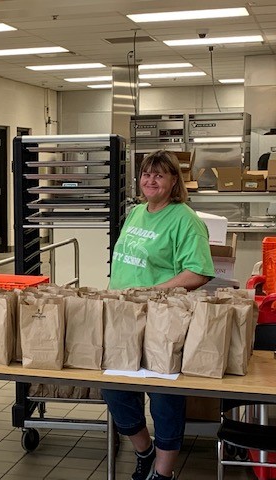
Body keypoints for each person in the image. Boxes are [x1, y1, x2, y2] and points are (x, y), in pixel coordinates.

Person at [102, 150, 215, 480]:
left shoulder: (185, 219)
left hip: (162, 319)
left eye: (160, 175)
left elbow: (198, 272)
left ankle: (162, 473)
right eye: (146, 174)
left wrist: (154, 292)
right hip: (123, 315)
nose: (151, 180)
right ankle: (144, 450)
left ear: (173, 181)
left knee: (164, 396)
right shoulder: (136, 212)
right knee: (115, 389)